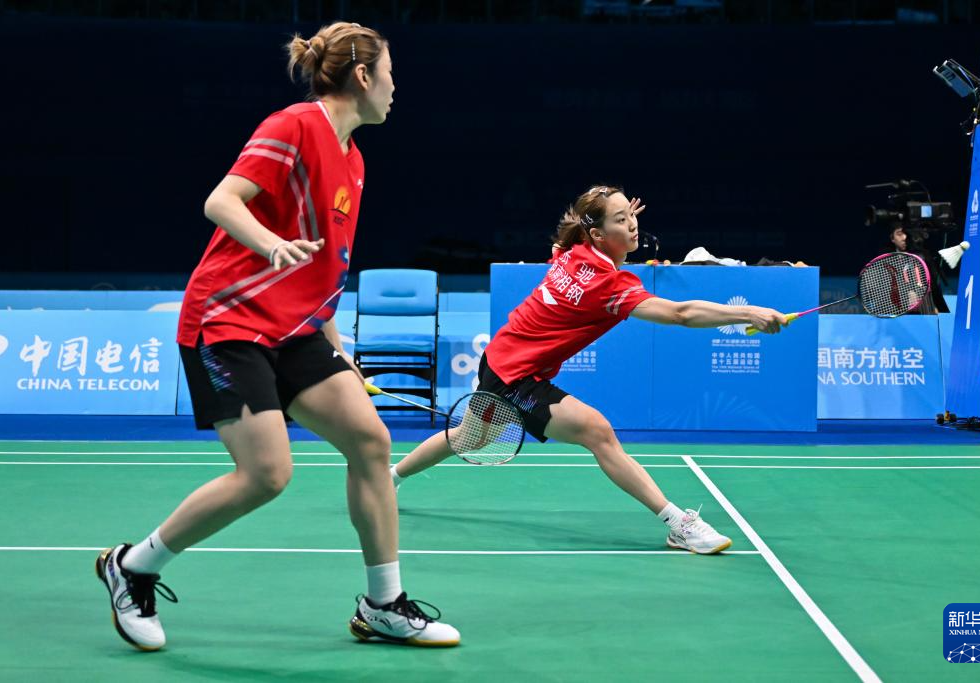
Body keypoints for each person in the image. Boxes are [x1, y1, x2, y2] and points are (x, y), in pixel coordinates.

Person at [95, 22, 459, 651]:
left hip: (294, 330)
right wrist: (271, 245)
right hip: (226, 322)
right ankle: (133, 567)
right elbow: (222, 201)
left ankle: (383, 605)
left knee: (371, 441)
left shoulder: (354, 161)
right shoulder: (294, 125)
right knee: (266, 473)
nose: (396, 87)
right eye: (390, 73)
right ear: (363, 76)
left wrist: (336, 343)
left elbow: (326, 267)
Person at [391, 185, 789, 554]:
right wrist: (747, 312)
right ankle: (678, 524)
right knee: (597, 432)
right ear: (596, 234)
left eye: (631, 215)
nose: (632, 225)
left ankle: (388, 479)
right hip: (515, 375)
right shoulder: (606, 284)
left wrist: (614, 222)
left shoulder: (575, 249)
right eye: (621, 220)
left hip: (501, 357)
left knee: (470, 437)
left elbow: (576, 230)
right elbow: (680, 314)